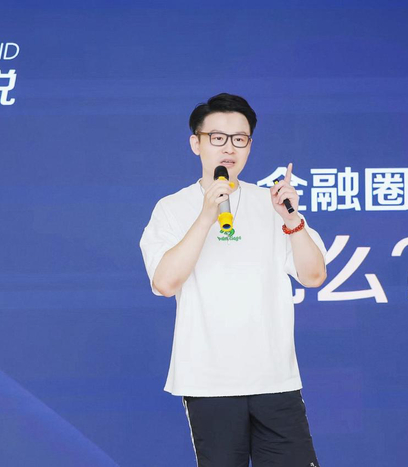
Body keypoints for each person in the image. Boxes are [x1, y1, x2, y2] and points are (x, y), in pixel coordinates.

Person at [140, 93, 328, 467]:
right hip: (209, 382)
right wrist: (206, 215)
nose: (229, 148)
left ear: (250, 146)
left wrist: (292, 219)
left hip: (275, 379)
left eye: (239, 139)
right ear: (196, 143)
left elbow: (313, 275)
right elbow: (164, 283)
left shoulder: (272, 204)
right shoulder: (172, 208)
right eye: (218, 138)